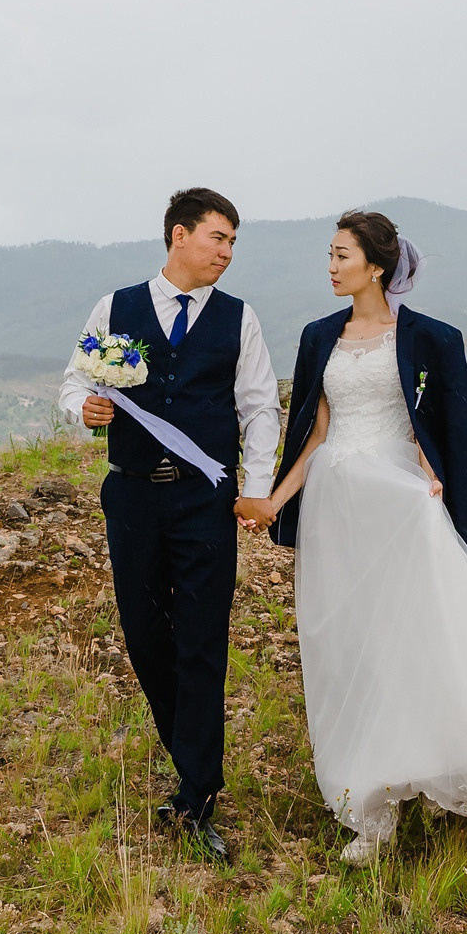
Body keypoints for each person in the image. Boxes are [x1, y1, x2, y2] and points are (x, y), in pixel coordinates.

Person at [238, 209, 467, 864]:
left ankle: (443, 766)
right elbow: (314, 434)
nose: (330, 264)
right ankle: (370, 804)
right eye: (330, 253)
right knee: (348, 645)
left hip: (399, 504)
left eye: (341, 254)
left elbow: (449, 431)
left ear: (375, 266)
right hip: (335, 509)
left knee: (419, 639)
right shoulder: (318, 337)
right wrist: (270, 503)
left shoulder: (431, 339)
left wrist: (439, 483)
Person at [60, 187, 280, 861]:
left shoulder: (239, 319)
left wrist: (256, 486)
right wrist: (83, 411)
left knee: (203, 641)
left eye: (233, 242)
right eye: (218, 237)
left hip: (204, 501)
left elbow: (261, 406)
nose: (227, 252)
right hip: (131, 498)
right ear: (178, 235)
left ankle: (198, 790)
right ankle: (189, 761)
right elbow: (73, 381)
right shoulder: (116, 307)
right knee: (145, 634)